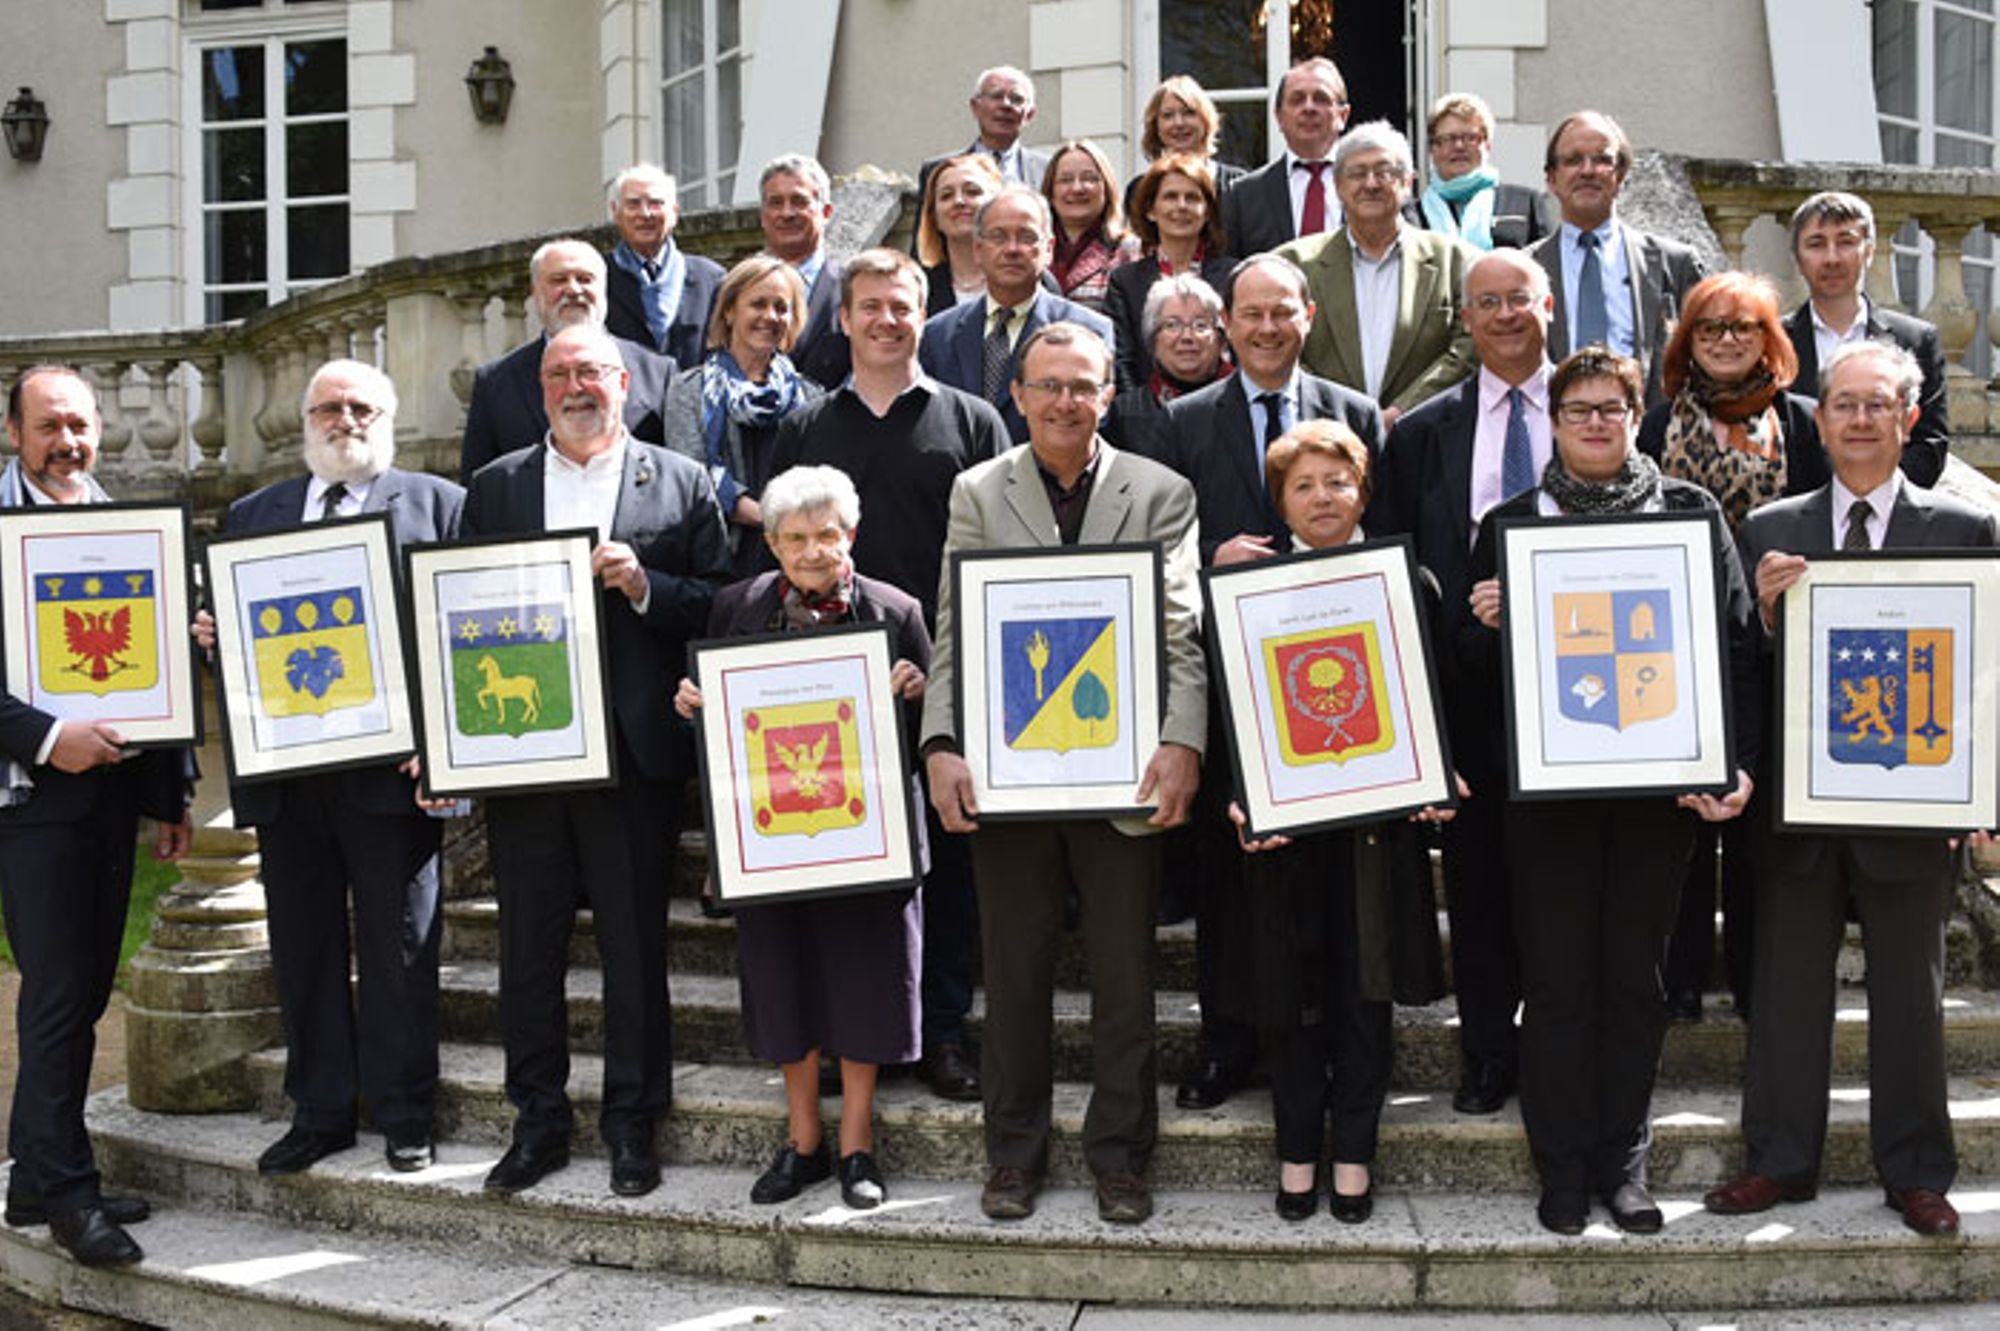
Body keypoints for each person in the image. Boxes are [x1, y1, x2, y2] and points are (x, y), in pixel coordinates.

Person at [1456, 347, 1758, 1236]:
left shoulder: (1690, 513)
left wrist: (1732, 762)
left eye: (1611, 408)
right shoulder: (1513, 522)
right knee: (1553, 986)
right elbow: (1468, 675)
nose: (1594, 421)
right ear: (1552, 421)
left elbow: (1735, 645)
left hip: (1655, 793)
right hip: (1545, 800)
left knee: (1635, 982)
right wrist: (1483, 627)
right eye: (1577, 407)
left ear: (1637, 416)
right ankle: (1561, 1167)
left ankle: (1623, 1165)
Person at [1705, 341, 1994, 1240]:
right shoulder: (1769, 529)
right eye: (1844, 404)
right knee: (1787, 991)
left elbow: (1984, 672)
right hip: (1797, 809)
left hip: (1912, 804)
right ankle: (1779, 1162)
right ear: (1819, 420)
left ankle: (1915, 1171)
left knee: (1912, 996)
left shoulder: (1964, 530)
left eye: (1879, 405)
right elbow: (1742, 671)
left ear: (1908, 420)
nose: (1861, 419)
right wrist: (1765, 612)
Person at [923, 322, 1205, 1226]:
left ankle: (1121, 1156)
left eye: (1082, 386)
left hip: (1126, 774)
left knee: (1125, 979)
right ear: (1018, 395)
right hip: (1010, 777)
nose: (1064, 402)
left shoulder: (1161, 491)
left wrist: (1182, 741)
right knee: (1013, 976)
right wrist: (940, 745)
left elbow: (1179, 632)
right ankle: (1013, 1155)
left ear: (1109, 393)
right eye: (1048, 386)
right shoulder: (977, 490)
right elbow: (956, 627)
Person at [462, 324, 730, 1199]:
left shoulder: (681, 480)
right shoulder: (495, 487)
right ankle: (536, 1119)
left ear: (623, 381)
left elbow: (718, 606)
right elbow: (456, 614)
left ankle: (630, 1124)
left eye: (591, 371)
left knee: (633, 948)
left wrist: (646, 585)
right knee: (527, 950)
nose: (576, 386)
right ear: (540, 389)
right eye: (558, 373)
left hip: (633, 753)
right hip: (527, 749)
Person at [200, 360, 461, 1179]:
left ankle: (404, 1110)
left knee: (401, 947)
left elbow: (460, 628)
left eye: (361, 406)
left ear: (387, 415)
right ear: (306, 420)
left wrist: (443, 745)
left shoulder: (439, 505)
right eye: (329, 407)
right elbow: (240, 650)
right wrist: (217, 644)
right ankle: (318, 1110)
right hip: (288, 776)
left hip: (393, 772)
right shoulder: (253, 512)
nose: (344, 419)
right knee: (302, 947)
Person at [770, 248, 1009, 1103]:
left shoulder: (973, 420)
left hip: (941, 677)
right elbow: (786, 558)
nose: (884, 319)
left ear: (924, 314)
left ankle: (939, 1031)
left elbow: (1002, 554)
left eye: (900, 305)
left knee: (946, 869)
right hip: (827, 696)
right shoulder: (804, 426)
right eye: (867, 306)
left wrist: (944, 665)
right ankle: (851, 1036)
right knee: (839, 869)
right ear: (843, 319)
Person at [673, 465, 927, 1211]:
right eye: (795, 537)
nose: (813, 550)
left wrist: (916, 689)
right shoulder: (735, 608)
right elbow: (719, 724)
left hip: (866, 836)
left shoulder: (897, 610)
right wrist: (693, 701)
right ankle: (802, 1142)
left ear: (851, 535)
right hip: (771, 840)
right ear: (773, 543)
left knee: (863, 982)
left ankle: (856, 1145)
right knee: (782, 981)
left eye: (827, 534)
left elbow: (940, 720)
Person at [1232, 420, 1451, 1224]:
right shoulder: (1248, 594)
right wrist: (1239, 792)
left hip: (1375, 833)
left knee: (1366, 997)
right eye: (1304, 485)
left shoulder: (1408, 583)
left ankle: (1353, 1153)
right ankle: (1297, 1151)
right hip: (1282, 834)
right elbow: (1230, 713)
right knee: (1289, 1001)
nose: (1323, 498)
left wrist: (1438, 770)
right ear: (1280, 500)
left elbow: (1434, 701)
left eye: (1338, 482)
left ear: (1363, 489)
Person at [0, 366, 193, 1267]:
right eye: (48, 426)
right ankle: (69, 1200)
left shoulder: (126, 525)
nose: (67, 442)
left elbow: (156, 671)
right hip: (33, 798)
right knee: (53, 994)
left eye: (79, 424)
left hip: (114, 795)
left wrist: (170, 796)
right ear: (13, 433)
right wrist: (45, 738)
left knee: (76, 995)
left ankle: (36, 1176)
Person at [1369, 247, 1559, 1116]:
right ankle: (1487, 1053)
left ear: (1547, 304)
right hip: (1467, 684)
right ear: (1466, 319)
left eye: (1518, 298)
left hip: (1583, 685)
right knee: (1479, 887)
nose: (1504, 315)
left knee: (1564, 885)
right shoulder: (1419, 433)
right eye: (1486, 302)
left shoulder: (1599, 411)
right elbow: (1399, 568)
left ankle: (1561, 1049)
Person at [1638, 271, 1829, 1023]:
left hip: (1777, 651)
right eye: (1710, 328)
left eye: (1742, 327)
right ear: (1688, 340)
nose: (1724, 340)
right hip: (1679, 650)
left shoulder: (1805, 423)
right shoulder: (1655, 426)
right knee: (1681, 824)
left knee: (1759, 836)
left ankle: (1754, 983)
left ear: (1769, 340)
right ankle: (1679, 981)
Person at [1279, 120, 1479, 429]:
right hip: (1326, 438)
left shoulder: (1457, 260)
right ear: (1337, 185)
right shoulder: (1294, 263)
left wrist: (1400, 413)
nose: (1371, 184)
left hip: (1429, 436)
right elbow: (1282, 347)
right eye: (1357, 173)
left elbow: (1469, 347)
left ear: (1408, 182)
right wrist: (1341, 413)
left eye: (1384, 172)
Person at [458, 238, 674, 484]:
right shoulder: (495, 382)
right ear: (534, 292)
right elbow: (476, 491)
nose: (573, 290)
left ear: (604, 288)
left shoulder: (658, 372)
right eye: (558, 280)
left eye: (585, 279)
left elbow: (676, 479)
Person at [1529, 111, 1706, 406]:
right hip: (1552, 437)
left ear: (1621, 176)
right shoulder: (1526, 269)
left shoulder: (1675, 264)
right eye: (1573, 160)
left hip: (1649, 439)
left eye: (1602, 160)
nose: (1588, 170)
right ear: (1551, 179)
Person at [662, 255, 823, 578]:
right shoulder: (689, 390)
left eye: (781, 307)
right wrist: (771, 518)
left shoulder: (811, 396)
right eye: (758, 304)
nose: (770, 316)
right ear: (729, 310)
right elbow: (694, 478)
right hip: (722, 561)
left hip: (799, 560)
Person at [918, 186, 1115, 443]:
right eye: (998, 237)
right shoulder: (937, 334)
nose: (1012, 249)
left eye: (1026, 237)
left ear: (1049, 248)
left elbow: (1097, 419)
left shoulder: (1090, 330)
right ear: (978, 249)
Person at [1784, 190, 1948, 486]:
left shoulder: (1916, 339)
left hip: (1892, 519)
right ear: (1797, 258)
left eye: (1846, 242)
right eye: (1816, 244)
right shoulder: (1774, 342)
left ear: (1870, 251)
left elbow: (1929, 445)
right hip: (1800, 516)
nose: (1832, 258)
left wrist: (1868, 495)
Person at [1106, 154, 1237, 395]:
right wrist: (1139, 414)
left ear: (1207, 211)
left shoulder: (1233, 276)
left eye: (1192, 198)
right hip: (1147, 418)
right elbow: (1122, 360)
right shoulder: (1125, 281)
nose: (1181, 206)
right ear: (1150, 211)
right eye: (1170, 197)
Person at [1221, 57, 1352, 259]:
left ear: (1343, 116)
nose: (1309, 108)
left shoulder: (1373, 187)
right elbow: (1228, 271)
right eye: (1297, 99)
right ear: (1279, 117)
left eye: (1321, 98)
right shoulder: (1243, 195)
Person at [602, 163, 727, 366]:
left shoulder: (711, 279)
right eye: (633, 204)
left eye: (655, 203)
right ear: (616, 212)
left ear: (675, 212)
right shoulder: (597, 278)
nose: (645, 214)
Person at [1100, 272, 1230, 465]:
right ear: (1153, 339)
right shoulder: (1124, 415)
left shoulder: (1244, 401)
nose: (1187, 336)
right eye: (1172, 325)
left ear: (1221, 339)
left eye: (1200, 325)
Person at [759, 154, 850, 390]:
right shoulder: (736, 290)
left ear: (827, 212)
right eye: (776, 203)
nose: (787, 213)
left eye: (799, 201)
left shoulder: (852, 289)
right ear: (763, 216)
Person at [1418, 92, 1551, 251]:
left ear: (1487, 145)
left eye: (1470, 138)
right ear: (1432, 150)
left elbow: (1548, 264)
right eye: (1448, 139)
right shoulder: (1412, 214)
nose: (1459, 146)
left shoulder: (1525, 203)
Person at [914, 66, 1052, 212]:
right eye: (996, 96)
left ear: (1029, 114)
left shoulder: (1048, 170)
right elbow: (924, 232)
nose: (1006, 105)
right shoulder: (938, 169)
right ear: (975, 107)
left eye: (1016, 99)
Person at [1122, 74, 1245, 219]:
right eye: (1168, 115)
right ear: (1155, 126)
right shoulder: (1139, 190)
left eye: (1189, 113)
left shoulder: (1238, 185)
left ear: (1206, 120)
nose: (1179, 123)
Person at [1041, 139, 1138, 314]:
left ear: (1106, 189)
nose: (1077, 188)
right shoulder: (1034, 249)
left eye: (1089, 178)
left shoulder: (1127, 251)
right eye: (1065, 180)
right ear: (1050, 192)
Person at [914, 153, 1006, 318]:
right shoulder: (917, 288)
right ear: (933, 216)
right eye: (946, 195)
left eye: (972, 192)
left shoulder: (1027, 277)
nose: (959, 201)